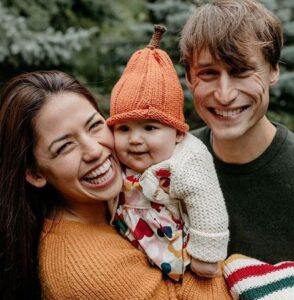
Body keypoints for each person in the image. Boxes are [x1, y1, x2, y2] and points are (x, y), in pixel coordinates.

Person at [0, 70, 232, 299]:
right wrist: (238, 265)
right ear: (35, 173)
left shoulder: (130, 194)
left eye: (94, 126)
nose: (94, 150)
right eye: (64, 147)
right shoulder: (85, 270)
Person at [107, 24, 229, 281]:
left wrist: (206, 258)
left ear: (178, 134)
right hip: (131, 255)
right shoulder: (113, 157)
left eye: (150, 128)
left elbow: (208, 206)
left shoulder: (188, 160)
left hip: (182, 262)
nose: (135, 140)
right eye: (124, 128)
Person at [180, 0, 294, 264]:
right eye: (208, 73)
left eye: (241, 71)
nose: (224, 95)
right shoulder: (173, 163)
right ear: (188, 78)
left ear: (273, 70)